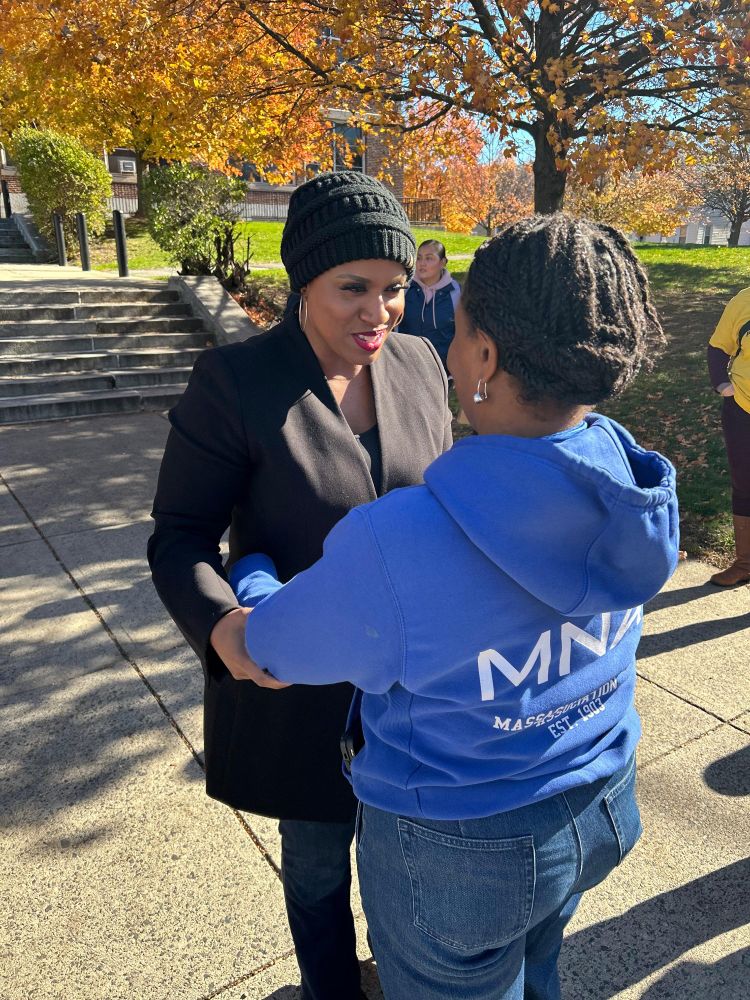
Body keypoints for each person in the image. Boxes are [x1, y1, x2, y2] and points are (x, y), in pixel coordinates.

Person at [225, 215, 680, 1000]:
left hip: (460, 856)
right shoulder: (630, 482)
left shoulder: (397, 542)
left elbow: (269, 650)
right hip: (602, 801)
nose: (445, 344)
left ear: (487, 358)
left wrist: (254, 580)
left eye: (459, 329)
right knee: (540, 959)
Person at [147, 170, 453, 1000]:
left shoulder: (423, 363)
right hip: (299, 687)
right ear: (302, 282)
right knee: (318, 873)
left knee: (413, 874)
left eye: (392, 288)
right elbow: (178, 537)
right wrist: (222, 629)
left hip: (419, 697)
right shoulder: (236, 382)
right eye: (352, 287)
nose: (378, 312)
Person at [706, 287, 750, 586]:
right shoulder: (743, 301)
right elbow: (717, 348)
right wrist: (722, 384)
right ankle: (745, 563)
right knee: (744, 483)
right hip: (742, 410)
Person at [398, 239, 461, 369]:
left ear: (443, 262)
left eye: (429, 258)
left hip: (442, 369)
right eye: (419, 258)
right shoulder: (404, 289)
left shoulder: (456, 292)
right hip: (406, 366)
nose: (422, 263)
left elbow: (462, 333)